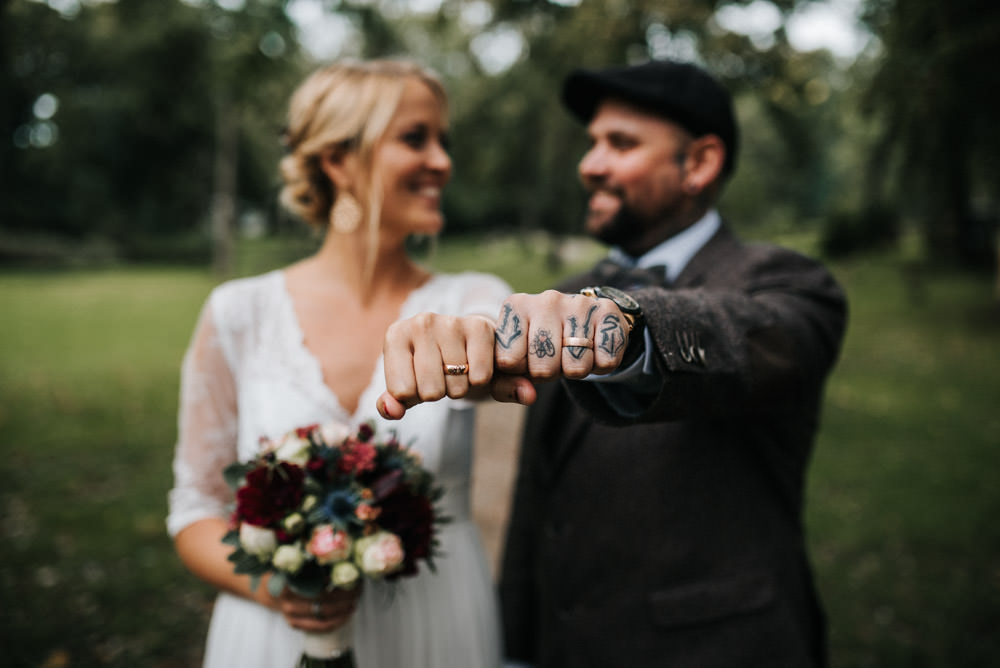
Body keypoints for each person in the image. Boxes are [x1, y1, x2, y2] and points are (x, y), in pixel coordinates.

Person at [378, 59, 847, 667]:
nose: (590, 163)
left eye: (620, 144)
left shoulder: (788, 282)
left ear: (699, 164)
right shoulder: (566, 293)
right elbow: (537, 492)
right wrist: (518, 644)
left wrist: (623, 326)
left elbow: (743, 338)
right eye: (592, 142)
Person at [167, 59, 509, 668]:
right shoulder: (239, 313)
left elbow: (502, 350)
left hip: (438, 624)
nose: (442, 162)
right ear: (339, 160)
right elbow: (195, 510)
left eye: (443, 141)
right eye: (415, 138)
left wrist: (485, 350)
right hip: (274, 634)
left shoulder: (471, 300)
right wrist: (279, 590)